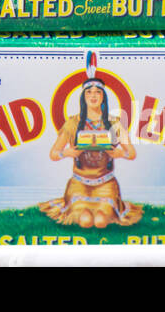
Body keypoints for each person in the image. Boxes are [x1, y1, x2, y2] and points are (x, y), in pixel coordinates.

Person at [40, 52, 142, 228]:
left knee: (101, 221)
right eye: (89, 93)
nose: (93, 96)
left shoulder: (113, 123)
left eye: (97, 93)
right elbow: (53, 154)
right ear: (83, 97)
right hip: (79, 184)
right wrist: (67, 152)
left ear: (103, 97)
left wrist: (118, 153)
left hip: (106, 184)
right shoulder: (73, 123)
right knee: (86, 220)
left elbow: (131, 153)